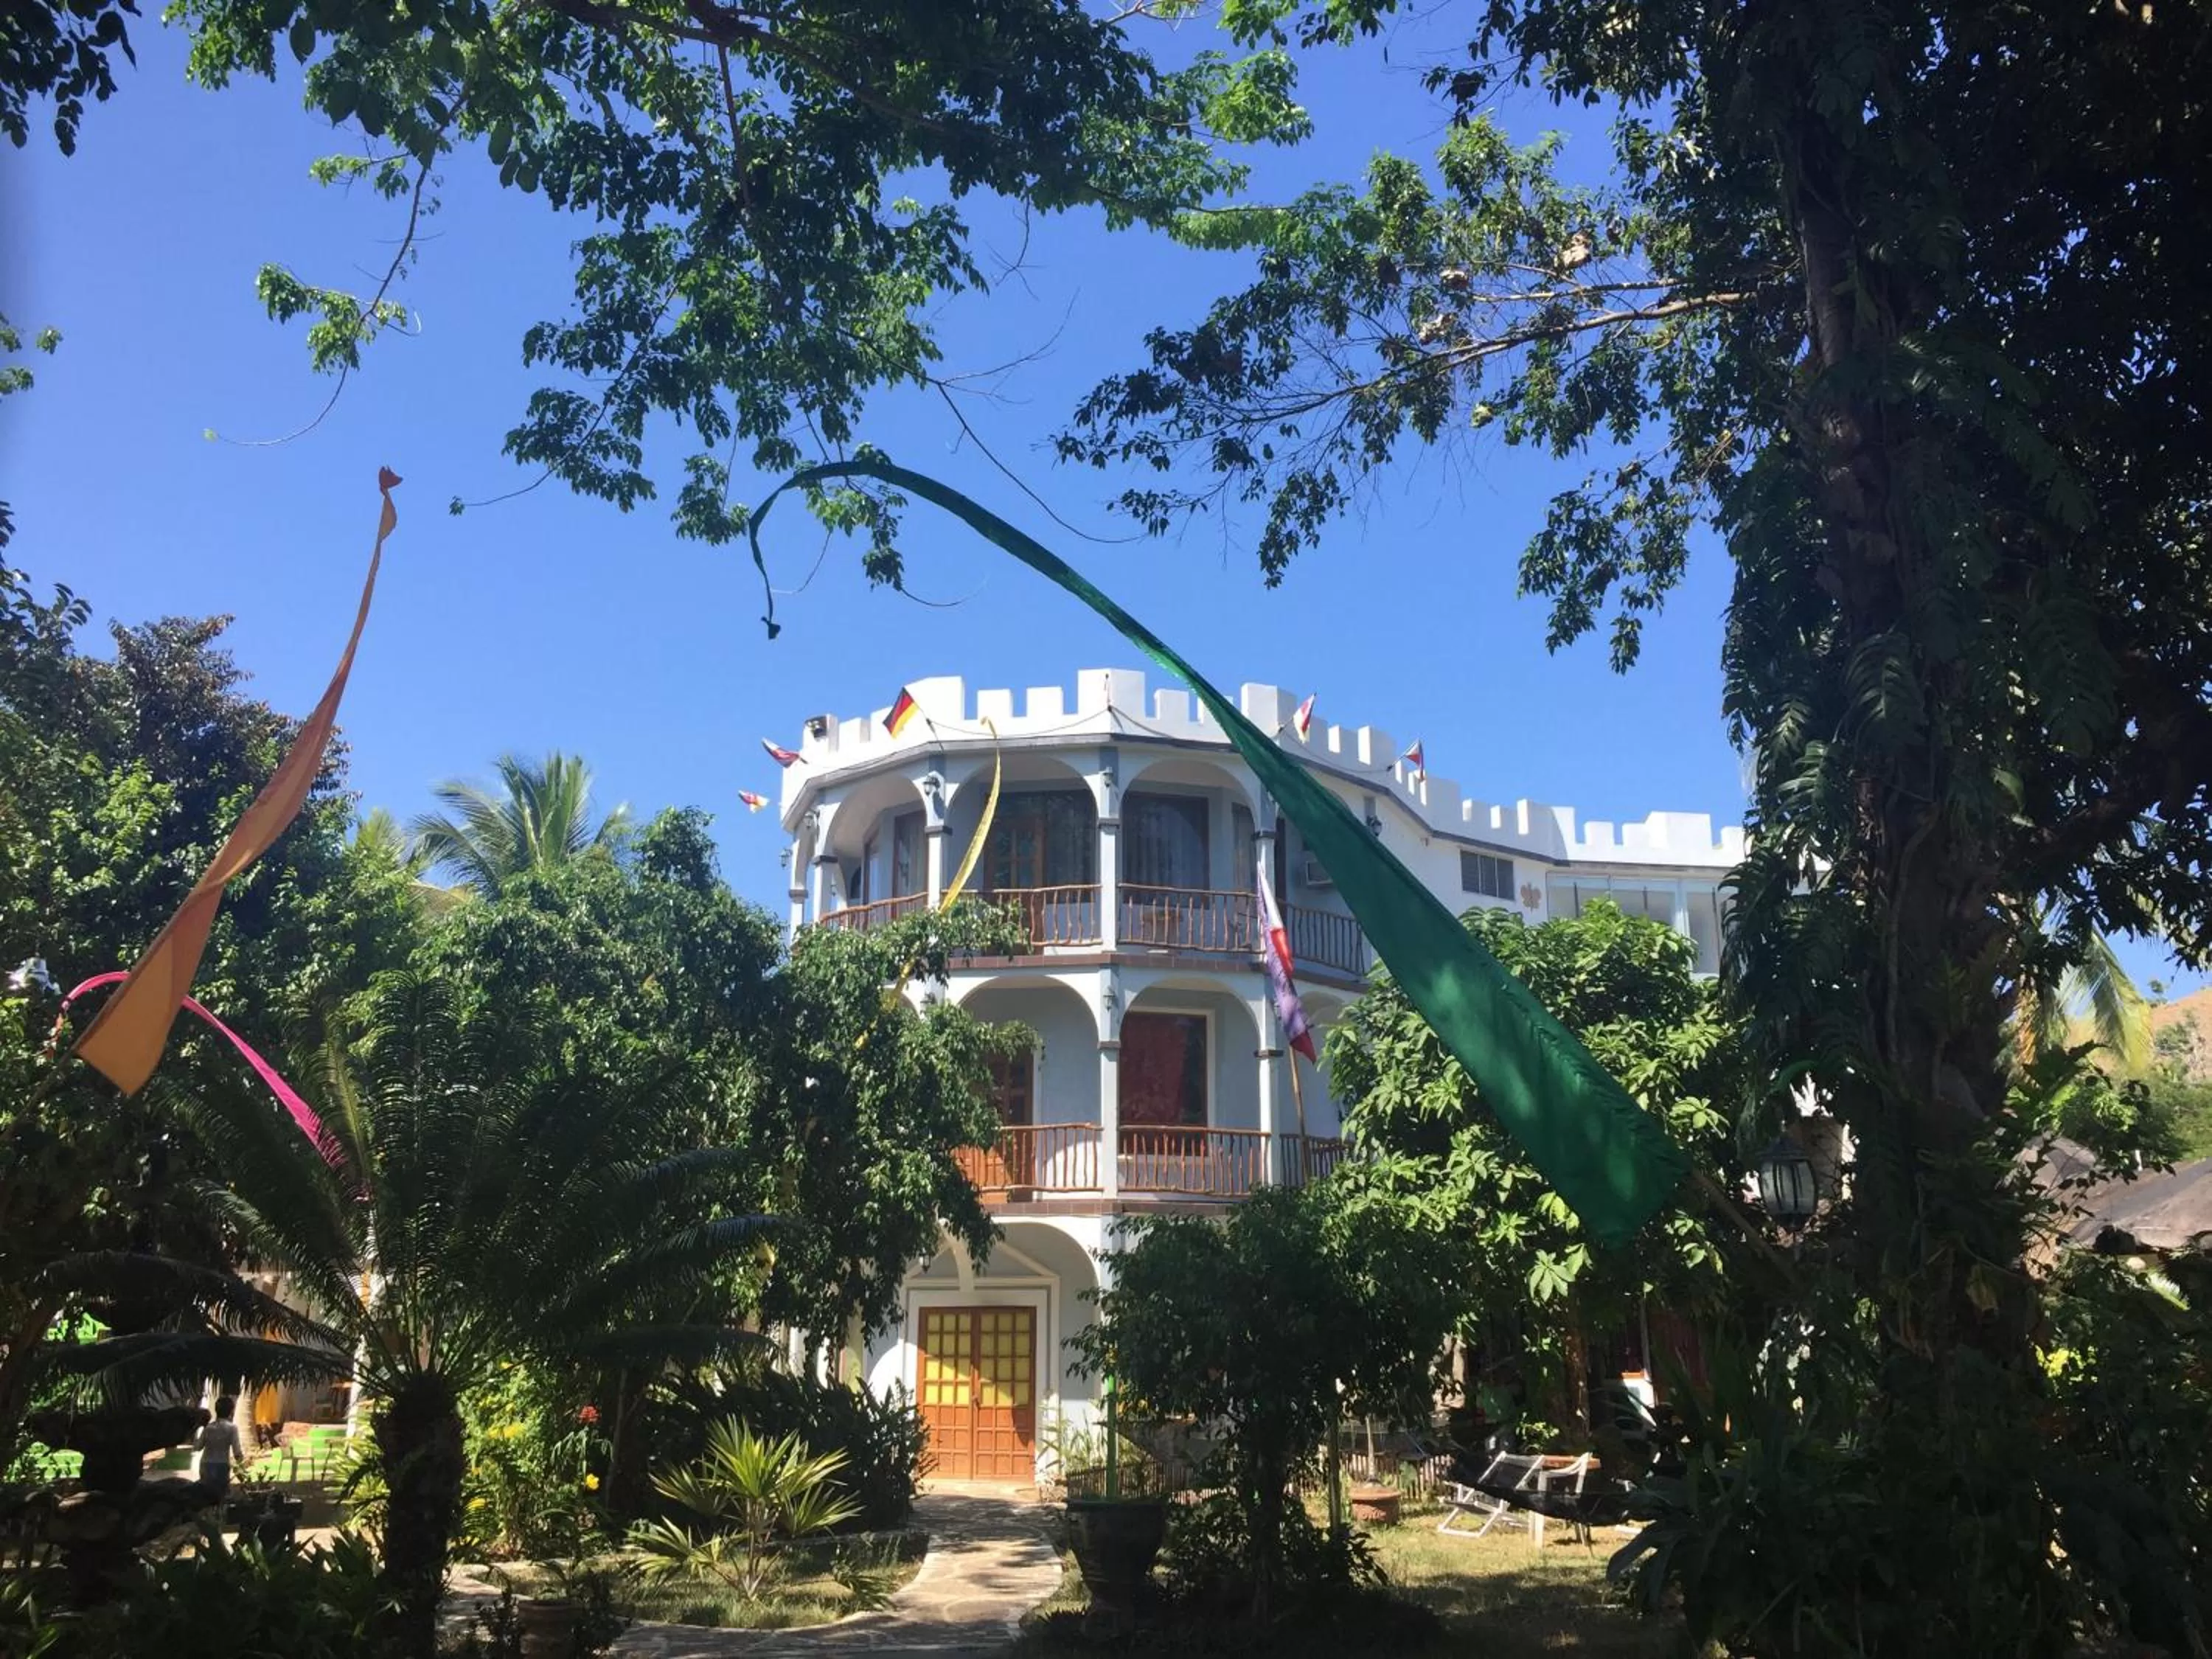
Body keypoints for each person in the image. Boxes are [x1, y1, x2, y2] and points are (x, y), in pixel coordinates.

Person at [195, 1394, 243, 1496]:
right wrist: (241, 1464)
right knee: (220, 1495)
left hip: (205, 1464)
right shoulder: (232, 1428)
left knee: (205, 1494)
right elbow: (237, 1453)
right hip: (222, 1465)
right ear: (231, 1411)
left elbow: (198, 1447)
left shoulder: (208, 1428)